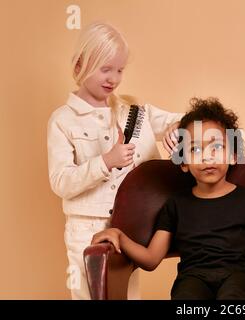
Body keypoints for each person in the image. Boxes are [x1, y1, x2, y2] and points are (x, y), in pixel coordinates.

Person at [92, 97, 245, 299]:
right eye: (195, 150)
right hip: (193, 280)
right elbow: (151, 259)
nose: (207, 157)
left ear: (233, 155)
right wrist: (120, 237)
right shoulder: (176, 204)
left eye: (217, 147)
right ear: (183, 163)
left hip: (241, 280)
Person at [47, 22, 182, 300]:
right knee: (89, 295)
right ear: (79, 66)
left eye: (119, 70)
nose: (114, 78)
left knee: (127, 295)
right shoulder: (62, 120)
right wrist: (105, 162)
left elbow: (186, 122)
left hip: (130, 225)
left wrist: (177, 126)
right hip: (86, 228)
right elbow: (61, 182)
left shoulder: (134, 111)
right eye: (105, 69)